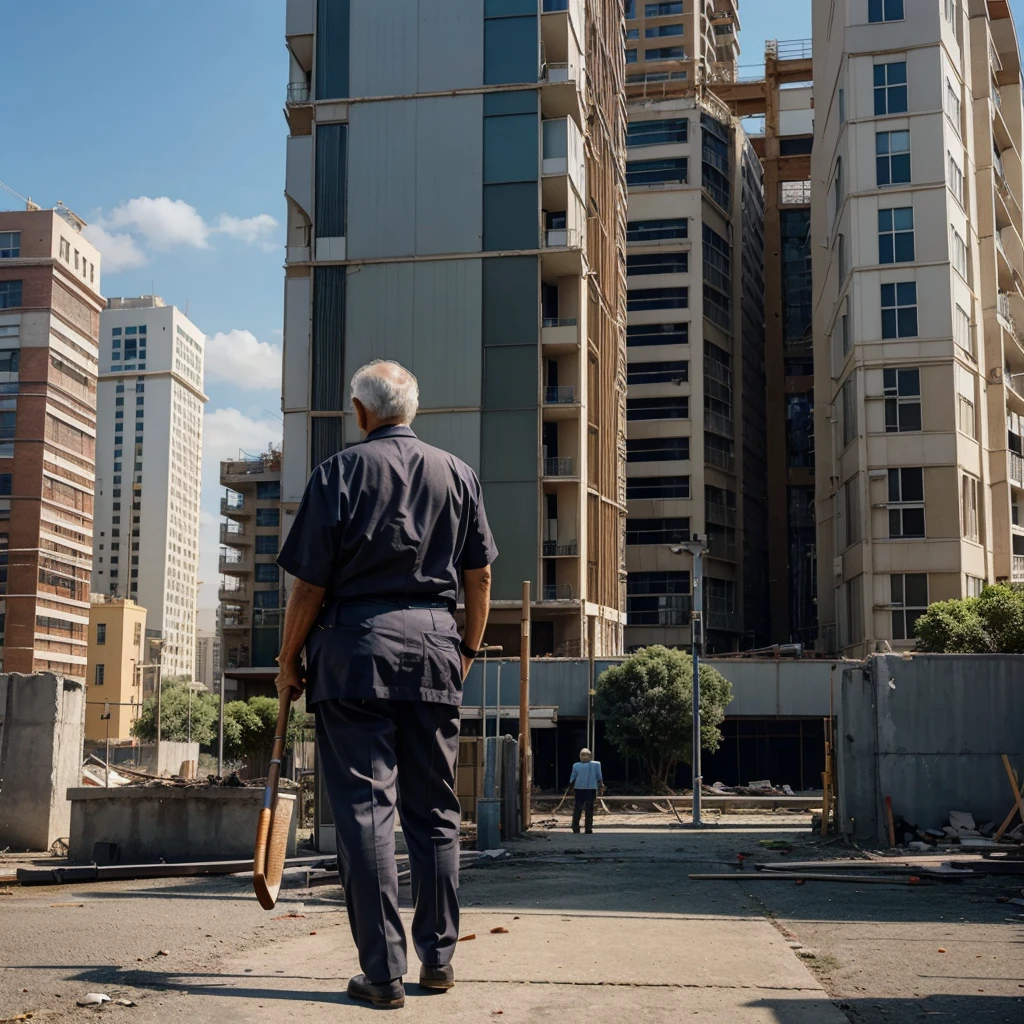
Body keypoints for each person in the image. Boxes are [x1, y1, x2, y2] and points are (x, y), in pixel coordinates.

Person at [274, 360, 497, 1010]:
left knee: (366, 814)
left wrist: (289, 659)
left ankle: (382, 974)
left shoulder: (337, 474)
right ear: (413, 410)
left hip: (352, 655)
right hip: (433, 651)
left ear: (360, 411)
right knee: (433, 813)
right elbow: (479, 578)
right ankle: (439, 959)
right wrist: (468, 650)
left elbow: (309, 586)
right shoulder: (457, 474)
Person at [569, 748, 604, 834]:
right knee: (585, 809)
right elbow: (599, 777)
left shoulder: (578, 765)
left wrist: (570, 786)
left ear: (589, 756)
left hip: (584, 789)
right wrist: (601, 785)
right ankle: (586, 828)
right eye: (582, 755)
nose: (583, 757)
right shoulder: (595, 765)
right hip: (586, 789)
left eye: (585, 755)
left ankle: (577, 828)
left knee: (581, 808)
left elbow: (572, 778)